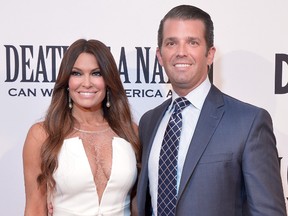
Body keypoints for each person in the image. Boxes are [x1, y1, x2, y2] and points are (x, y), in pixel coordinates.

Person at [136, 4, 287, 216]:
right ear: (160, 55)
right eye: (172, 43)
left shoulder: (248, 122)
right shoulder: (149, 122)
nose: (181, 52)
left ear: (210, 54)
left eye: (192, 42)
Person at [23, 39, 140, 216]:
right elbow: (35, 208)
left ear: (108, 80)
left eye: (96, 73)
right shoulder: (42, 135)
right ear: (66, 82)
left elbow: (138, 202)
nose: (86, 83)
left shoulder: (131, 132)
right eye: (77, 73)